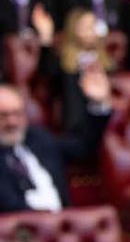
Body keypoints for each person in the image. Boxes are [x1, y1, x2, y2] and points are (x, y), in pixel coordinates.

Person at [0, 81, 111, 213]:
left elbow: (83, 147)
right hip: (19, 230)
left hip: (63, 225)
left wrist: (97, 105)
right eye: (3, 116)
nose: (12, 122)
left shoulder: (40, 138)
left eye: (17, 113)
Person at [33, 6, 115, 132]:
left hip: (104, 123)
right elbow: (47, 72)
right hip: (75, 125)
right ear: (73, 30)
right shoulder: (64, 65)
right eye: (85, 27)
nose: (91, 31)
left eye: (93, 26)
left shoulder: (107, 62)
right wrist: (46, 38)